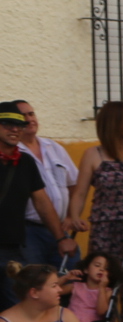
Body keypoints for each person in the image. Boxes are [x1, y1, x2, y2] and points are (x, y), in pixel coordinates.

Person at [0, 107, 82, 308]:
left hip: (12, 248)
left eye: (19, 125)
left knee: (18, 306)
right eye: (7, 124)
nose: (15, 129)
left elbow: (42, 202)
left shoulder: (25, 162)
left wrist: (61, 238)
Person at [70, 101, 123, 281]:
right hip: (106, 229)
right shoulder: (93, 154)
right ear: (112, 123)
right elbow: (80, 193)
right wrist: (75, 216)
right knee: (102, 282)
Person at [66, 251, 120, 322]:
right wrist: (65, 278)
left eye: (106, 268)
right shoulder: (76, 286)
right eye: (97, 265)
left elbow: (101, 311)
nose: (101, 269)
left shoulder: (107, 291)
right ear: (86, 269)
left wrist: (101, 288)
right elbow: (53, 290)